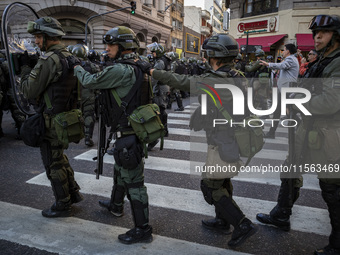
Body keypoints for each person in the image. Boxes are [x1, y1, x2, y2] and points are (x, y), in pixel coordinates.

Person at [135, 33, 257, 248]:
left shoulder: (216, 79)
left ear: (214, 56)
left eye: (207, 55)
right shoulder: (238, 75)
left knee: (210, 185)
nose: (205, 58)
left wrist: (153, 71)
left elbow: (183, 82)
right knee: (223, 180)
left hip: (223, 139)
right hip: (233, 136)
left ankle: (242, 224)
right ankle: (222, 220)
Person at [256, 14, 340, 255]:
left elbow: (331, 102)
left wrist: (299, 100)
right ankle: (281, 215)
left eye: (323, 33)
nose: (317, 37)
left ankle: (337, 244)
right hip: (308, 128)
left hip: (328, 134)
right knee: (290, 170)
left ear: (337, 36)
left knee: (332, 189)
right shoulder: (322, 60)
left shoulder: (337, 62)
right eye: (315, 34)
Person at [74, 26, 153, 244]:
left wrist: (78, 67)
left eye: (111, 45)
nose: (106, 48)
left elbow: (89, 81)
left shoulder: (121, 70)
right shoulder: (140, 66)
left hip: (128, 133)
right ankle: (116, 206)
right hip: (132, 130)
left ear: (123, 47)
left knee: (134, 182)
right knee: (120, 171)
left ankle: (143, 229)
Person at [20, 17, 84, 217]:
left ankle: (62, 204)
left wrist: (24, 70)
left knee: (53, 163)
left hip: (52, 121)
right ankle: (72, 192)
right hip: (66, 119)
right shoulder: (70, 57)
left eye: (39, 37)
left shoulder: (49, 60)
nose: (37, 41)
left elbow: (29, 91)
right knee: (60, 158)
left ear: (48, 37)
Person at [260, 44, 300, 139]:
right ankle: (272, 132)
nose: (283, 51)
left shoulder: (290, 59)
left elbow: (282, 66)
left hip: (287, 90)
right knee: (283, 111)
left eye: (284, 50)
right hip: (285, 89)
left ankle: (299, 127)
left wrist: (268, 64)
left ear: (288, 51)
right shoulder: (290, 59)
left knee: (286, 111)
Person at [72, 44, 100, 147]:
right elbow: (97, 80)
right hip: (88, 93)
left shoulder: (71, 65)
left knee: (75, 115)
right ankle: (88, 138)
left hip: (75, 95)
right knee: (89, 115)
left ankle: (75, 135)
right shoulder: (92, 66)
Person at [146, 42, 170, 150]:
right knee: (161, 109)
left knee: (158, 110)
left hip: (160, 88)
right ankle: (164, 130)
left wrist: (149, 87)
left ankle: (159, 132)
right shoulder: (164, 60)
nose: (152, 54)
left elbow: (154, 77)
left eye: (154, 52)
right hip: (163, 87)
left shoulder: (160, 62)